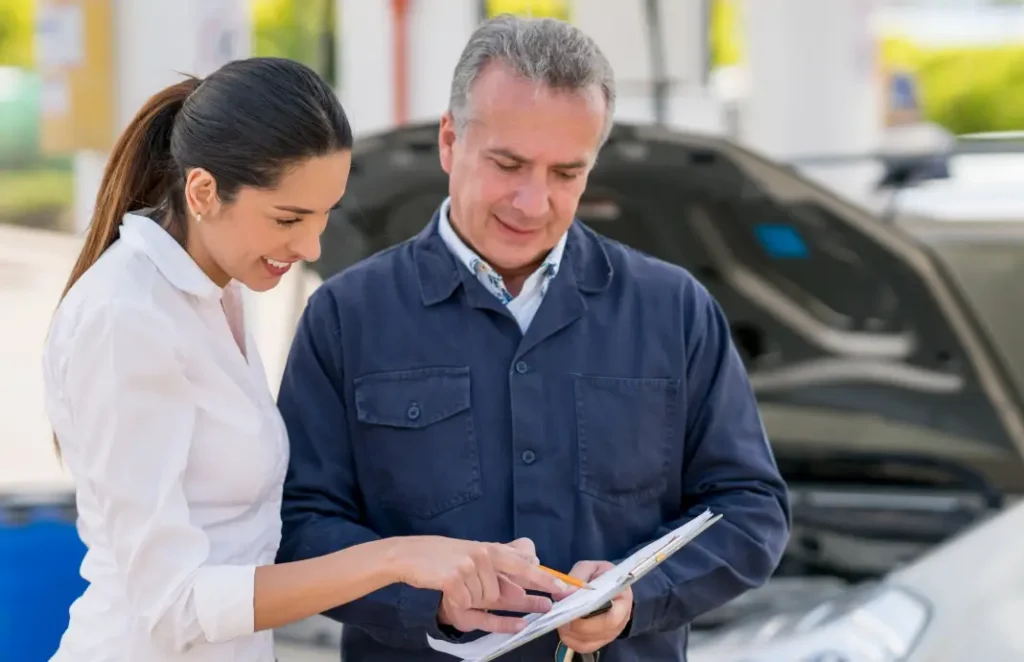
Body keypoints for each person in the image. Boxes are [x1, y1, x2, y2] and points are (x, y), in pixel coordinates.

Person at [276, 15, 792, 662]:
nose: (531, 201)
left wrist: (639, 597)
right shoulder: (345, 317)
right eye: (508, 163)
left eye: (565, 173)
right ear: (448, 140)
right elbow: (296, 528)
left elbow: (750, 511)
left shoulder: (675, 310)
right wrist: (426, 596)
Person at [40, 57, 566, 662]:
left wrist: (456, 566)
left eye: (324, 215)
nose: (312, 246)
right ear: (203, 191)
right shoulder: (124, 317)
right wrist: (396, 557)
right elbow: (172, 604)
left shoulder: (223, 290)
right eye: (289, 218)